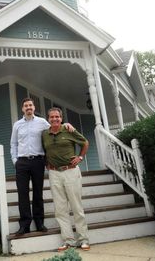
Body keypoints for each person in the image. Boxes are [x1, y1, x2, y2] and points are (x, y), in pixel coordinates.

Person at [10, 98, 74, 235]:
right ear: (22, 109)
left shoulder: (42, 122)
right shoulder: (17, 125)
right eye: (26, 105)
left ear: (34, 108)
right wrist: (15, 160)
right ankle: (25, 224)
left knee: (38, 193)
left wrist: (66, 124)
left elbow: (55, 128)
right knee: (23, 194)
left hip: (38, 161)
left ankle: (39, 222)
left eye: (30, 105)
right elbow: (13, 144)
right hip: (22, 162)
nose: (28, 107)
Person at [42, 107, 90, 251]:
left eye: (57, 117)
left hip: (71, 171)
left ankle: (83, 239)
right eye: (52, 117)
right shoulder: (45, 134)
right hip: (54, 173)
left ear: (61, 118)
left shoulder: (69, 130)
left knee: (76, 206)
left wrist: (80, 157)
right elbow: (44, 151)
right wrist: (47, 164)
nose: (55, 119)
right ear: (48, 119)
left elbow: (85, 142)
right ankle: (68, 240)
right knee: (60, 209)